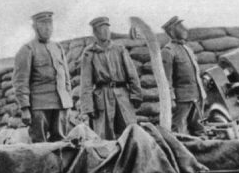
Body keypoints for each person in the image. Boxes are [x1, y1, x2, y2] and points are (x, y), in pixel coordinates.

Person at [12, 11, 73, 142]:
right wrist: (24, 108)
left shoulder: (57, 47)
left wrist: (68, 102)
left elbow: (66, 78)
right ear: (35, 27)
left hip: (60, 104)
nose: (47, 28)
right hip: (39, 106)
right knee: (39, 145)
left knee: (61, 144)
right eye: (43, 24)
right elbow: (20, 82)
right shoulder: (27, 49)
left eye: (50, 24)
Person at [79, 16, 142, 139]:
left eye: (107, 28)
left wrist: (136, 94)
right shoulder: (89, 53)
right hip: (101, 97)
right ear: (95, 32)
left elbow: (132, 74)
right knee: (103, 135)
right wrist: (88, 106)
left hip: (122, 95)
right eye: (102, 29)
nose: (106, 32)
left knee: (130, 132)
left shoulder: (119, 49)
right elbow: (85, 82)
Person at [160, 16, 206, 136]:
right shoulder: (168, 51)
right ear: (171, 31)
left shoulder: (187, 49)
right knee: (179, 129)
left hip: (196, 96)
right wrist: (171, 99)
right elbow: (166, 80)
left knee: (199, 128)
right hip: (182, 99)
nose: (185, 29)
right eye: (180, 27)